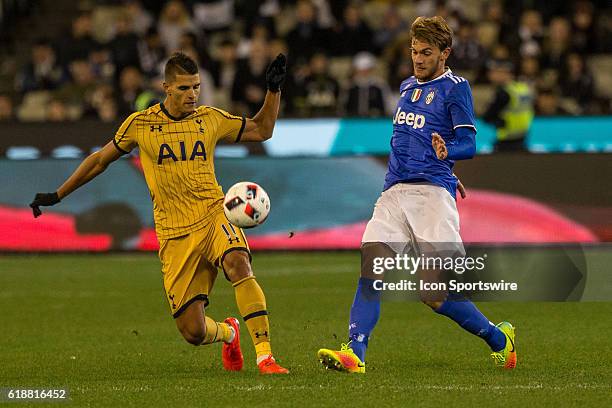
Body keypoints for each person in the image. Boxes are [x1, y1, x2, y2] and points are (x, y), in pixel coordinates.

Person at [30, 52, 289, 375]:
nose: (192, 94)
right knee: (193, 332)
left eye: (195, 87)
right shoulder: (140, 125)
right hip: (174, 233)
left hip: (213, 214)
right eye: (183, 88)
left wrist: (273, 90)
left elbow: (262, 130)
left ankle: (265, 357)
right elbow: (99, 161)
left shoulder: (210, 118)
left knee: (238, 263)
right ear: (166, 87)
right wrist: (57, 194)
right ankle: (229, 333)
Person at [317, 16, 516, 373]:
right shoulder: (407, 86)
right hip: (393, 192)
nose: (419, 59)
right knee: (371, 270)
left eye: (426, 52)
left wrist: (447, 157)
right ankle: (355, 352)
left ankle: (499, 338)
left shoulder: (456, 88)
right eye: (414, 52)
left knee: (433, 295)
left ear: (445, 53)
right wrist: (441, 164)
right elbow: (408, 141)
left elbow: (468, 142)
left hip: (431, 199)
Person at [483, 59, 534, 152]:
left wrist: (498, 122)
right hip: (522, 138)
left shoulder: (504, 93)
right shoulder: (523, 88)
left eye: (498, 72)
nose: (493, 75)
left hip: (506, 141)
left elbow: (487, 117)